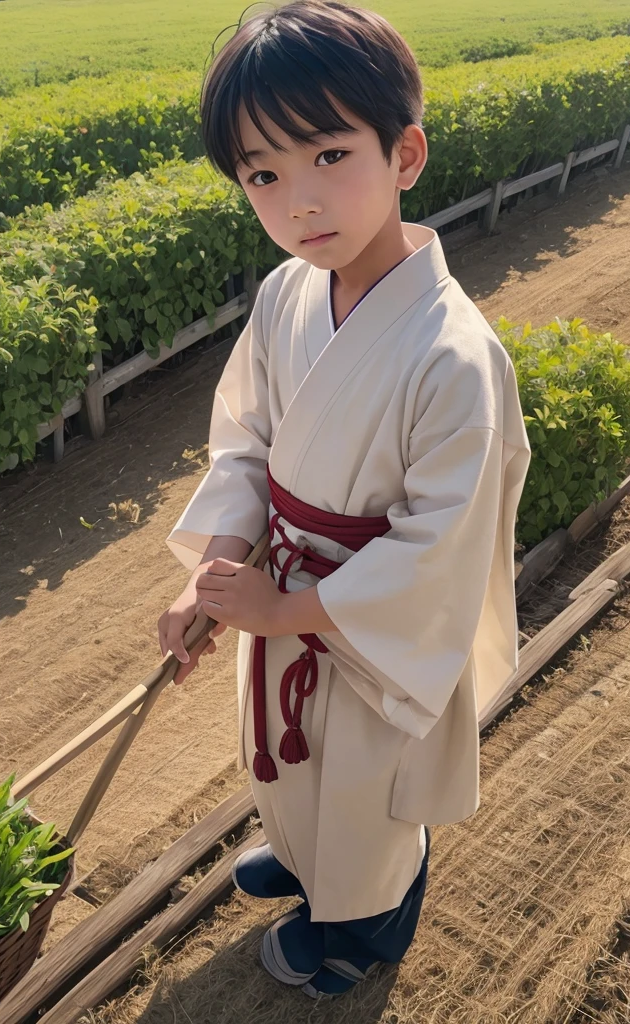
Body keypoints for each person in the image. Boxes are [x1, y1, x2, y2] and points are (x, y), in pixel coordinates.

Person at [157, 0, 531, 1000]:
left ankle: (367, 923)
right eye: (262, 174)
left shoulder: (451, 355)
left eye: (328, 155)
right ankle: (311, 861)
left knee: (367, 787)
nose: (298, 201)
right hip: (283, 584)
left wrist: (289, 608)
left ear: (404, 152)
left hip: (366, 621)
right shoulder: (287, 293)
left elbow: (437, 547)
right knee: (288, 761)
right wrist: (220, 562)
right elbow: (245, 437)